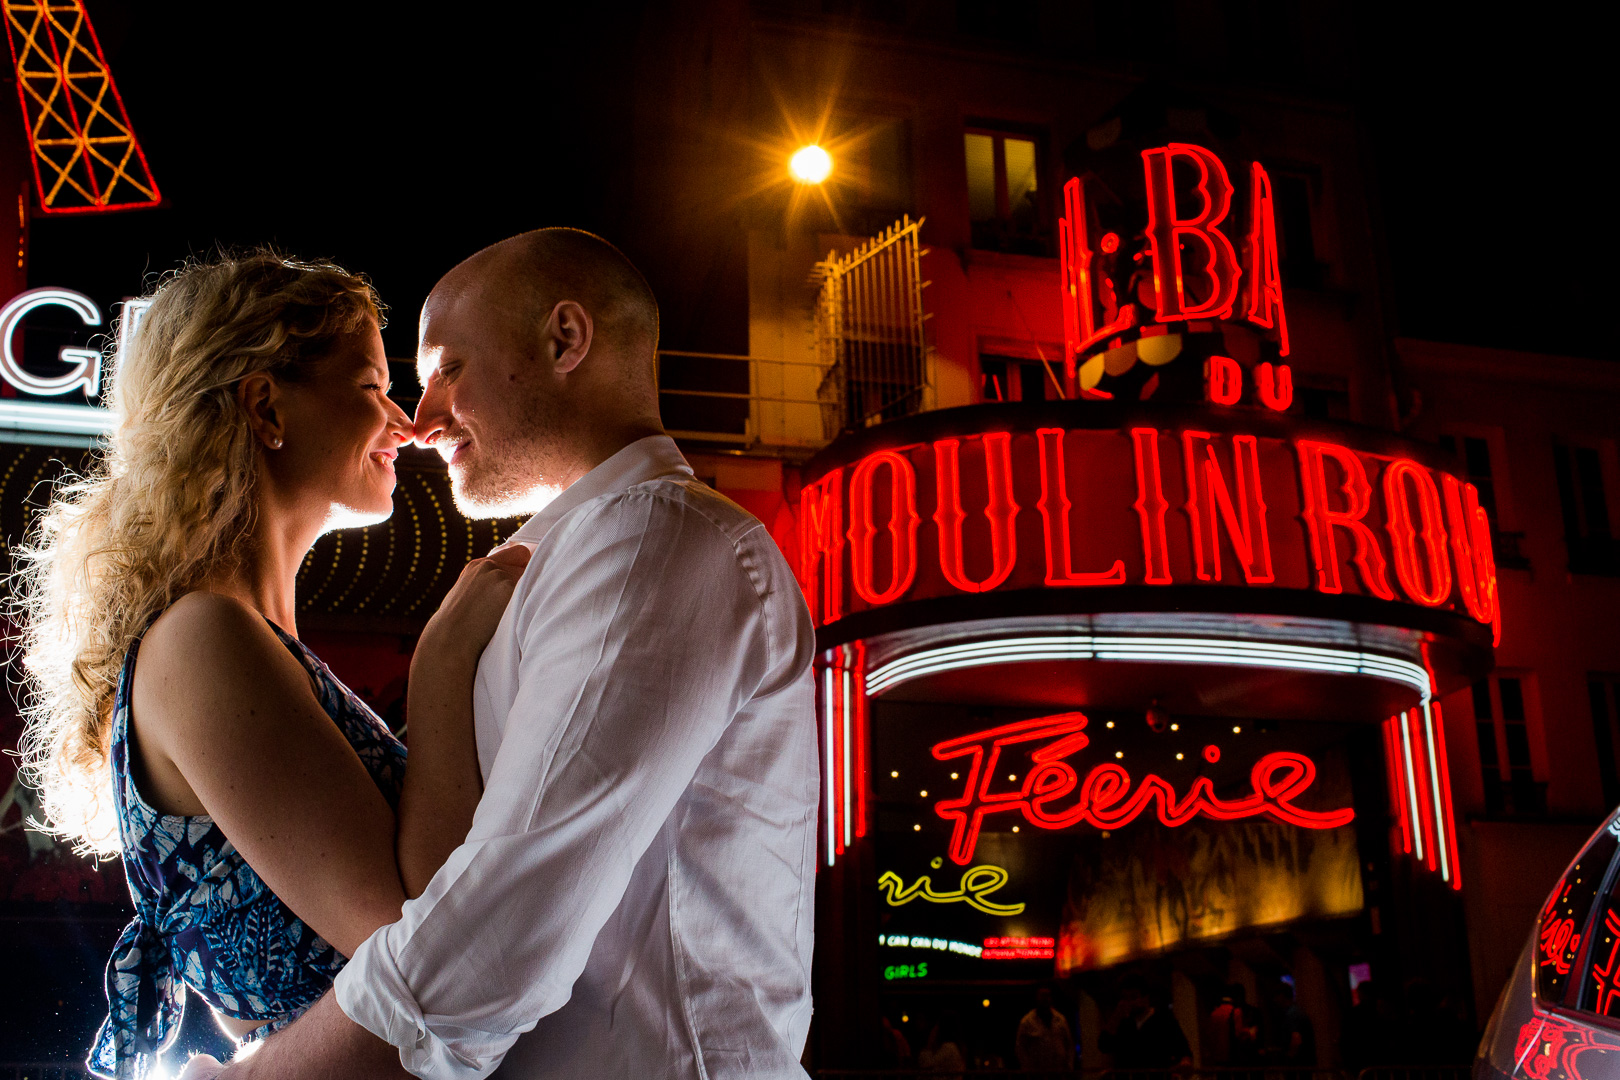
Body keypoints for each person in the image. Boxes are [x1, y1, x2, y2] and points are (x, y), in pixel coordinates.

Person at [188, 227, 819, 1078]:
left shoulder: (652, 538)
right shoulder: (581, 552)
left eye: (447, 368)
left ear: (565, 339)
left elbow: (497, 925)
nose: (422, 418)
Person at [12, 252, 525, 1079]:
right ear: (265, 404)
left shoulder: (237, 636)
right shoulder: (202, 639)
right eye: (369, 387)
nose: (403, 424)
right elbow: (423, 938)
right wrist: (441, 663)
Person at [1098, 976, 1192, 1069]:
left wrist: (1185, 1062)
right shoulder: (1124, 1023)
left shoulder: (1164, 1020)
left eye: (1134, 997)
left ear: (1146, 997)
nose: (1129, 1002)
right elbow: (1104, 1045)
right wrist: (1116, 1016)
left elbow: (1183, 1049)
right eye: (1125, 998)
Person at [1016, 985, 1074, 1071]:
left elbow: (1068, 1044)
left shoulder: (1060, 1020)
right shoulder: (1027, 1022)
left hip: (1059, 1071)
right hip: (1037, 1073)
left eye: (1047, 995)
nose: (1045, 999)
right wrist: (1027, 1068)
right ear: (1036, 998)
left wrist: (1069, 1065)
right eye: (1042, 995)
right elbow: (1020, 1047)